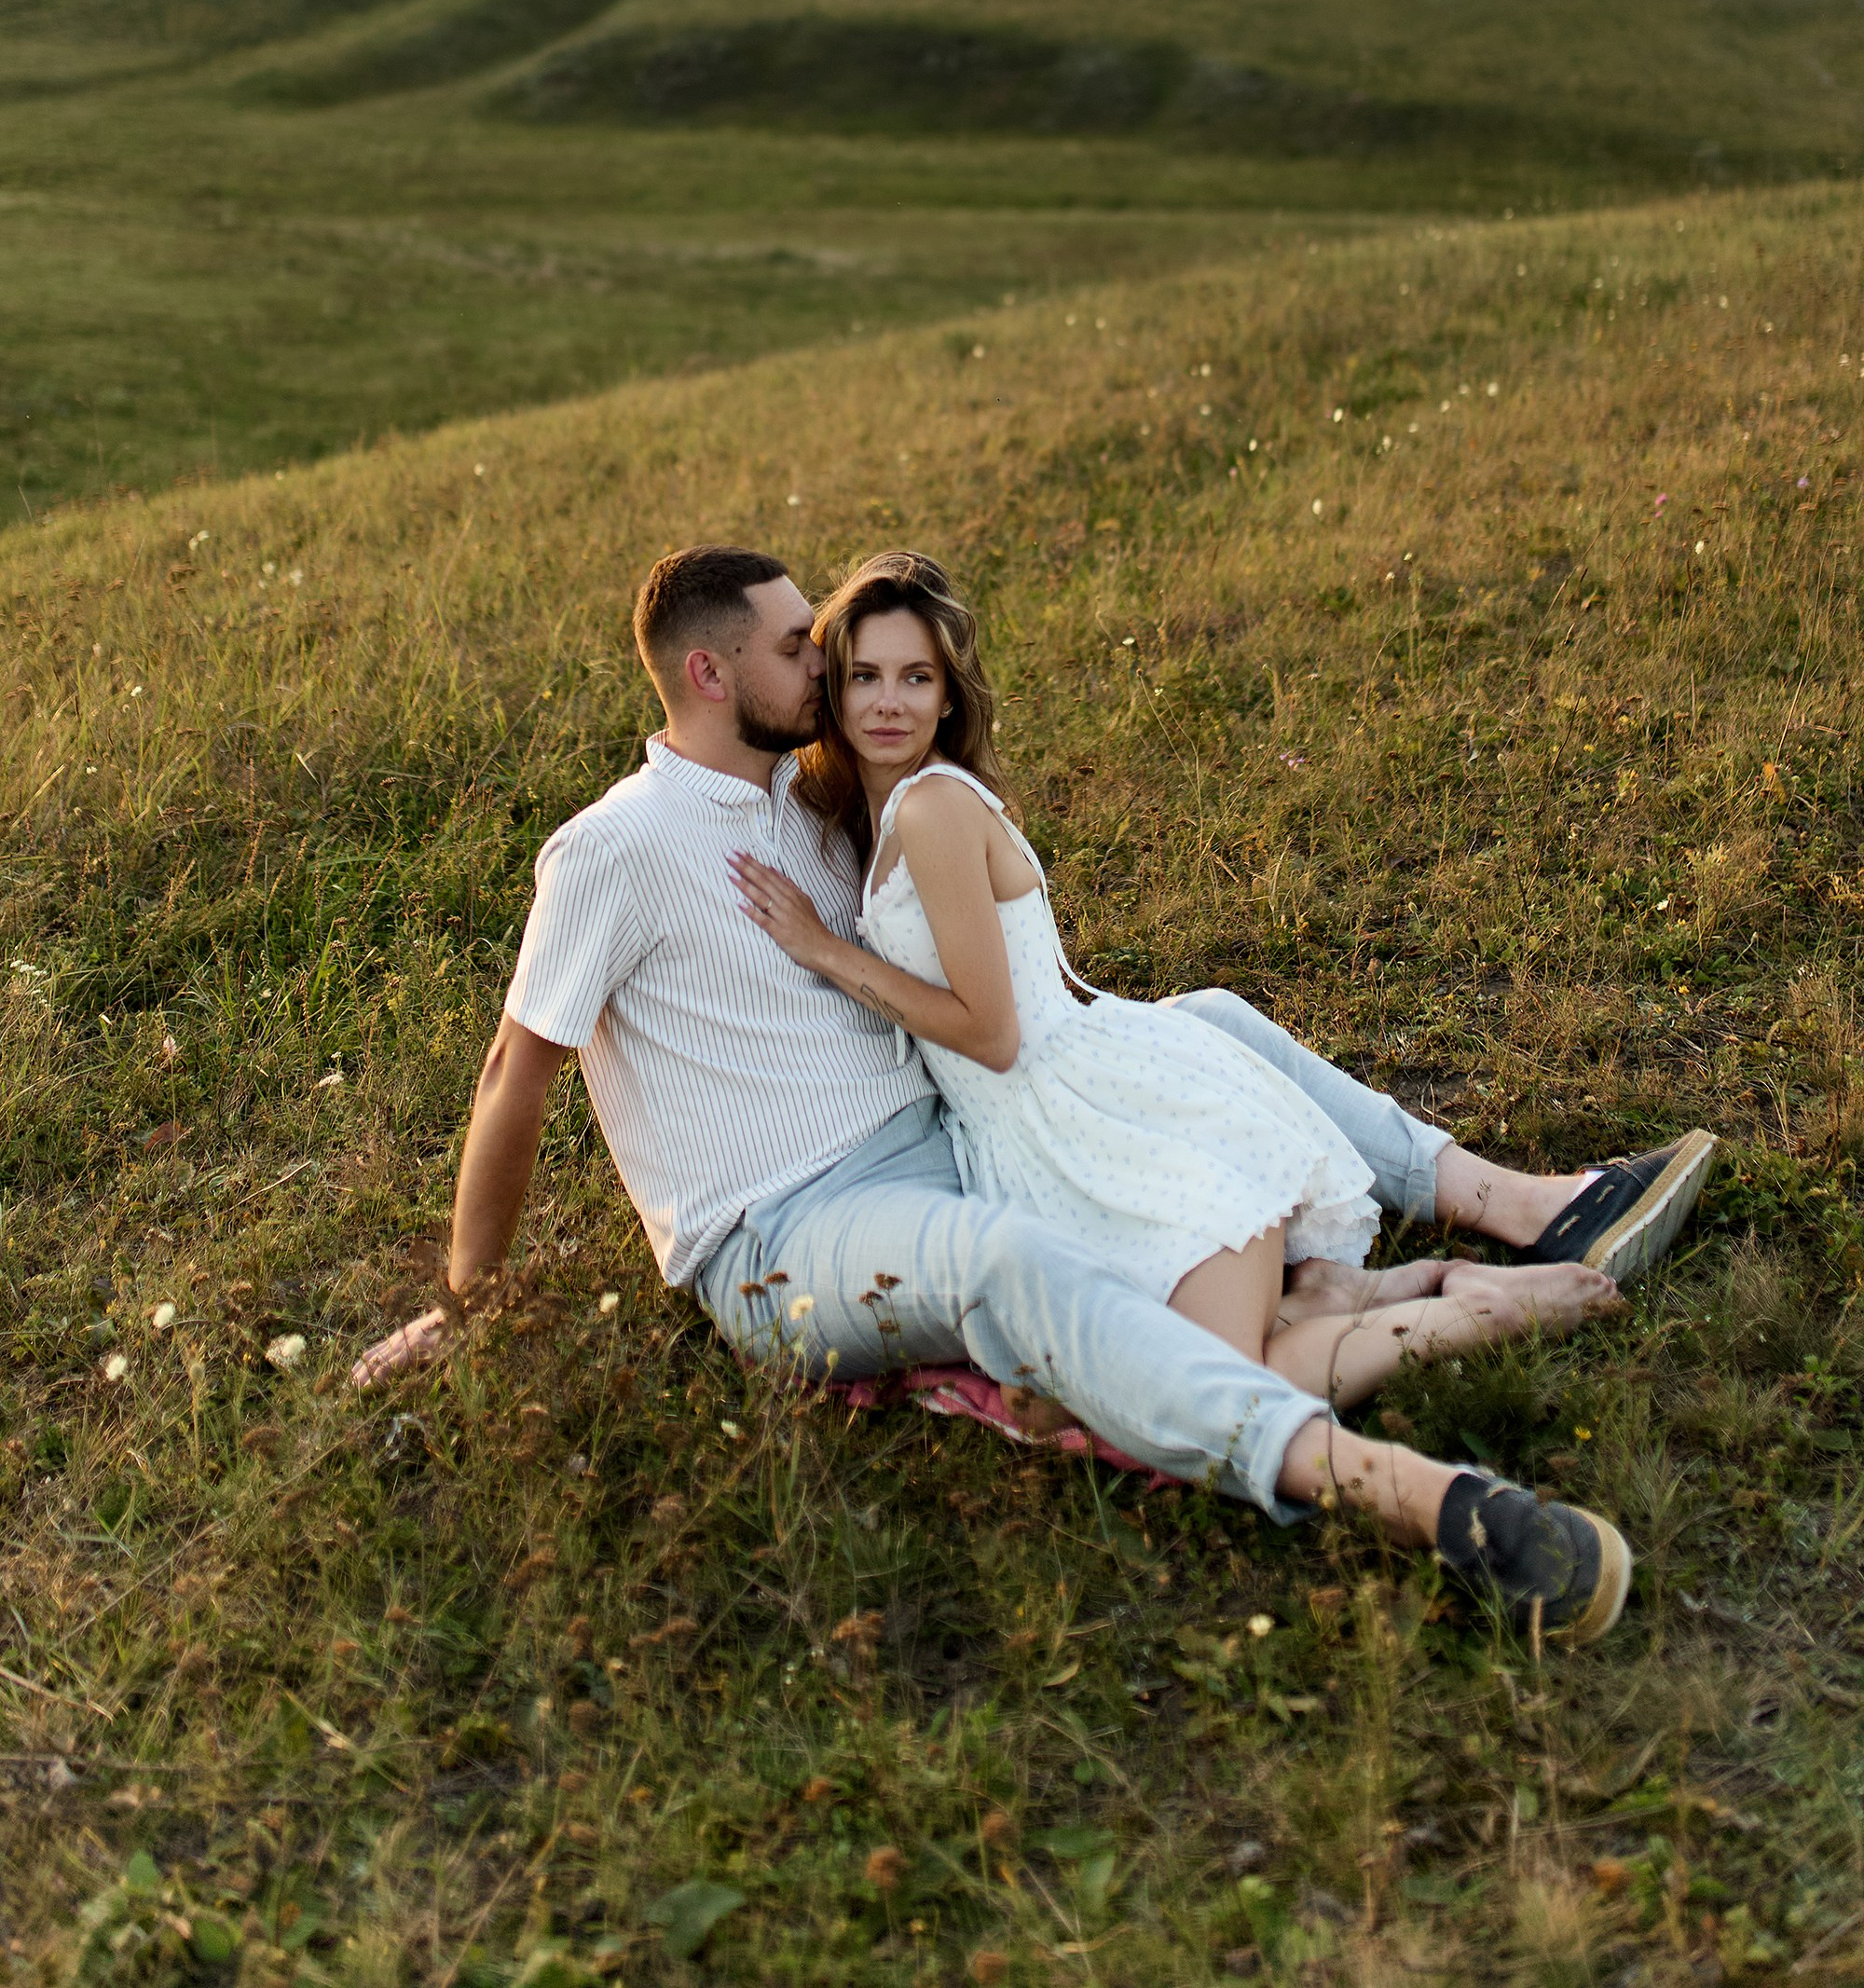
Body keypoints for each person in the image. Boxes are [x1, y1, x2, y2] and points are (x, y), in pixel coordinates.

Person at [353, 543, 1716, 1647]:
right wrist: (469, 1304)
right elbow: (513, 1071)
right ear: (708, 673)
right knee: (1001, 1261)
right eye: (798, 647)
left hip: (949, 1138)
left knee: (1194, 1029)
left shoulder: (810, 801)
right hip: (785, 1231)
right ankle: (1416, 1496)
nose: (825, 666)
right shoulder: (610, 849)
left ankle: (1511, 1210)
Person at [725, 550, 1652, 1422]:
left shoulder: (931, 808)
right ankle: (1377, 1291)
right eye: (865, 676)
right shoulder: (892, 807)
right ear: (834, 687)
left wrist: (825, 951)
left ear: (947, 696)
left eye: (916, 678)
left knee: (1225, 1384)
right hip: (1027, 1140)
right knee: (1156, 1374)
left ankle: (1484, 1312)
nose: (888, 702)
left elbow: (991, 1034)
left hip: (1087, 1115)